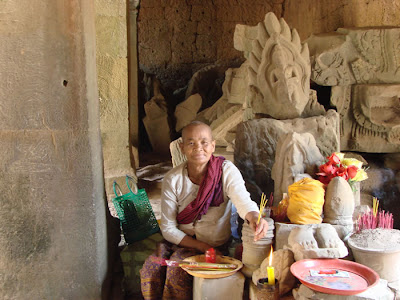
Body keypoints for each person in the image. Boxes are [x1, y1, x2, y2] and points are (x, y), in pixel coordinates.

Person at [140, 121, 269, 300]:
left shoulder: (225, 171)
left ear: (213, 145)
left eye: (204, 142)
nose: (198, 148)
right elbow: (168, 228)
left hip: (216, 244)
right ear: (182, 147)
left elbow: (243, 201)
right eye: (191, 143)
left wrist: (255, 217)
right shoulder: (173, 179)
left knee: (176, 272)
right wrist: (200, 246)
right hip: (182, 242)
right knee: (150, 269)